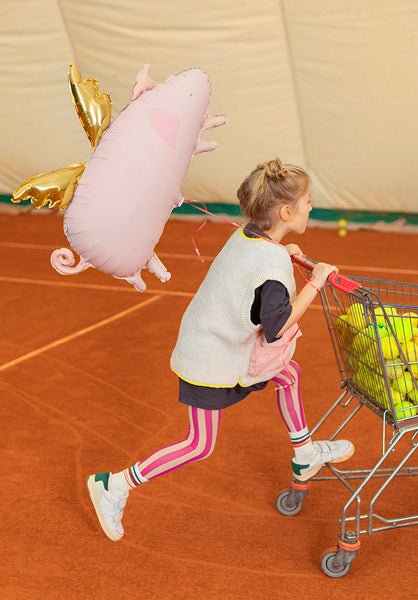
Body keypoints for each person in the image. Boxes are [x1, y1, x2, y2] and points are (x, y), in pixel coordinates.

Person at [87, 158, 354, 541]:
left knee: (288, 374)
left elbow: (259, 266)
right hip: (210, 358)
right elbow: (277, 327)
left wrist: (283, 250)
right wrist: (316, 281)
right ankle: (114, 484)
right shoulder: (271, 264)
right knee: (198, 444)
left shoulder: (250, 236)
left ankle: (305, 453)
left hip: (214, 344)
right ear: (285, 211)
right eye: (307, 201)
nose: (311, 207)